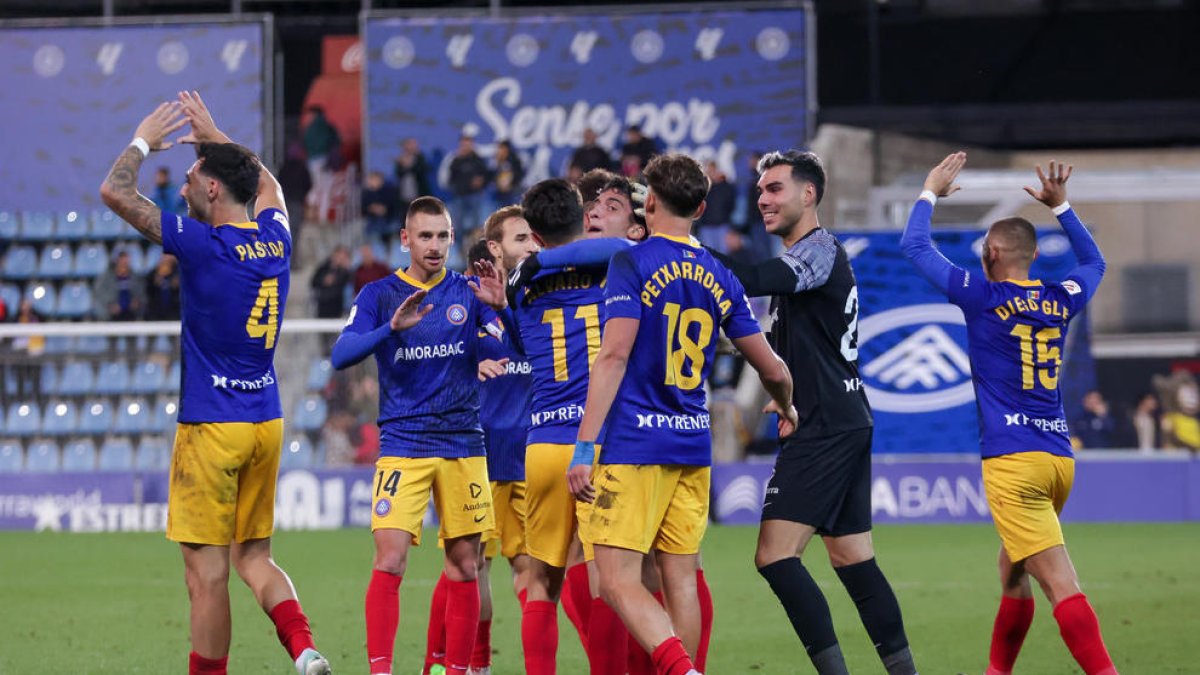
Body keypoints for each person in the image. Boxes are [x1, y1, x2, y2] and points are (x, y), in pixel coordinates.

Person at [99, 93, 330, 675]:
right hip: (266, 422)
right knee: (255, 557)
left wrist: (142, 139)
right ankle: (303, 649)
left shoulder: (203, 245)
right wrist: (216, 135)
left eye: (191, 174)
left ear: (210, 191)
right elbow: (269, 186)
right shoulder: (275, 238)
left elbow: (115, 193)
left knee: (205, 577)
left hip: (212, 426)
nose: (181, 186)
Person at [566, 153, 796, 675]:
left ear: (648, 201)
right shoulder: (719, 273)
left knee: (617, 578)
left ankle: (681, 670)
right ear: (701, 206)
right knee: (681, 578)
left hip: (634, 445)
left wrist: (585, 445)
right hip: (693, 446)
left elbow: (615, 354)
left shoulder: (632, 262)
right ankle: (691, 667)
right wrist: (786, 408)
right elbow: (774, 369)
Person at [902, 153, 1117, 675]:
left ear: (992, 253)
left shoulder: (981, 295)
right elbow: (1094, 265)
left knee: (1059, 582)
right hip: (1057, 460)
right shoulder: (1057, 297)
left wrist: (930, 190)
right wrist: (1062, 206)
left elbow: (914, 245)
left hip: (1013, 462)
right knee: (1012, 570)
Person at [708, 150, 918, 675]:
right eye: (760, 191)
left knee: (775, 556)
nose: (763, 200)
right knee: (852, 558)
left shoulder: (818, 251)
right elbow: (772, 344)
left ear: (809, 194)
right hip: (842, 415)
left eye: (775, 188)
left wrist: (679, 245)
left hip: (824, 422)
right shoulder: (801, 272)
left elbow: (751, 278)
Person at [330, 195, 508, 675]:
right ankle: (381, 671)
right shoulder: (379, 295)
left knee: (465, 566)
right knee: (389, 559)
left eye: (443, 236)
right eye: (425, 236)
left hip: (463, 444)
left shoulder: (470, 292)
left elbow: (507, 345)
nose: (434, 246)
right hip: (404, 444)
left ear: (452, 239)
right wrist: (390, 328)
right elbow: (341, 355)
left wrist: (503, 313)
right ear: (405, 239)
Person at [421, 207, 539, 675]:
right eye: (522, 238)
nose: (533, 245)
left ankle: (535, 665)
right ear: (494, 247)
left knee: (531, 572)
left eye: (535, 238)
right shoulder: (462, 299)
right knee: (470, 566)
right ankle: (473, 665)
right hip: (476, 451)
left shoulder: (536, 297)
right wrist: (468, 367)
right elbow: (429, 359)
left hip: (530, 453)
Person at [446, 134, 490, 239]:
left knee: (476, 223)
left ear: (472, 145)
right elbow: (451, 178)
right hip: (459, 196)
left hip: (474, 195)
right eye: (463, 144)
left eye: (468, 144)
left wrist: (481, 181)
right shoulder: (456, 160)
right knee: (458, 225)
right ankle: (460, 248)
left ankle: (475, 245)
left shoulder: (478, 159)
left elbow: (486, 176)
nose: (465, 146)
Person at [93, 248, 146, 320]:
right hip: (111, 314)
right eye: (122, 261)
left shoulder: (134, 277)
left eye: (126, 262)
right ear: (117, 261)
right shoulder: (106, 278)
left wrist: (137, 302)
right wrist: (110, 305)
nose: (124, 264)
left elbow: (141, 294)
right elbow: (100, 293)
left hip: (131, 313)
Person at [310, 245, 353, 319]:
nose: (339, 259)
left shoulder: (346, 271)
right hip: (323, 305)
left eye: (342, 257)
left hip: (338, 307)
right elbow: (313, 282)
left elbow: (348, 283)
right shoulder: (324, 267)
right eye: (338, 256)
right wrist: (324, 280)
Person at [394, 137, 433, 218]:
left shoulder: (421, 158)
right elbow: (398, 174)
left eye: (414, 144)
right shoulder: (401, 159)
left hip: (419, 195)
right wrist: (403, 165)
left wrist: (409, 165)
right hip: (404, 196)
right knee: (406, 218)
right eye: (409, 145)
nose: (412, 147)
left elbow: (422, 171)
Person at [362, 170, 400, 245]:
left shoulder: (390, 190)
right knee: (369, 232)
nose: (372, 182)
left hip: (389, 220)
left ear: (381, 180)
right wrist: (372, 209)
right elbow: (364, 209)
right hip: (374, 221)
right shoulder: (366, 193)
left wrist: (385, 209)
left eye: (375, 179)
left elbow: (394, 205)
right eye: (371, 179)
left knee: (394, 230)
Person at [145, 252, 182, 321]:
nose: (166, 259)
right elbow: (148, 292)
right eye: (164, 257)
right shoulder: (152, 275)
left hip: (174, 311)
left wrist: (177, 286)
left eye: (168, 257)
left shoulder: (178, 274)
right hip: (156, 311)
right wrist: (154, 284)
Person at [490, 140, 525, 207]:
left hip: (511, 192)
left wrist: (512, 184)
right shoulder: (496, 159)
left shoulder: (514, 159)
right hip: (498, 192)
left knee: (510, 211)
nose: (499, 150)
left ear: (506, 148)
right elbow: (492, 174)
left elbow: (519, 173)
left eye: (501, 148)